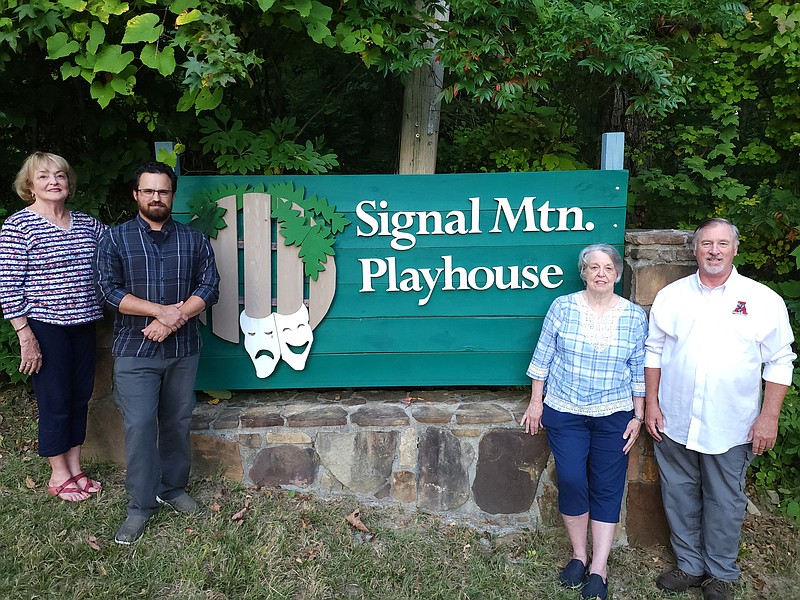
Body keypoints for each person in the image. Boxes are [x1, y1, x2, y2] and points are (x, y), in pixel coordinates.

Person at [645, 218, 796, 600]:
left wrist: (770, 416)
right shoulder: (673, 296)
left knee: (724, 499)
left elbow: (780, 360)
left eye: (722, 244)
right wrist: (651, 403)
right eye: (707, 243)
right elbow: (654, 351)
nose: (714, 250)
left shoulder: (762, 299)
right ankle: (690, 566)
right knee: (679, 493)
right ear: (694, 249)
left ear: (735, 248)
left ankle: (721, 573)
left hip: (731, 422)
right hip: (674, 417)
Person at [95, 161, 219, 545]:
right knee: (140, 427)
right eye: (148, 191)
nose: (156, 198)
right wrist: (158, 312)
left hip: (184, 350)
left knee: (178, 422)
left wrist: (174, 317)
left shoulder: (194, 240)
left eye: (163, 191)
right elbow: (108, 290)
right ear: (136, 195)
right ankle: (139, 506)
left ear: (172, 195)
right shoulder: (115, 240)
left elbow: (210, 286)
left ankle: (172, 489)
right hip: (136, 350)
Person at [521, 243, 647, 600]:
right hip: (566, 410)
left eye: (608, 268)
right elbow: (542, 356)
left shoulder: (634, 316)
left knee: (608, 486)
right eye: (594, 267)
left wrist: (638, 415)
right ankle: (579, 555)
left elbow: (638, 370)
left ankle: (599, 568)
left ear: (618, 274)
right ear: (584, 272)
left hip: (615, 414)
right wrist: (536, 402)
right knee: (573, 479)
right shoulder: (563, 307)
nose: (601, 273)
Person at [0, 152, 105, 502]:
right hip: (46, 327)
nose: (54, 181)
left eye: (60, 175)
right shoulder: (19, 226)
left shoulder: (88, 225)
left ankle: (75, 468)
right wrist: (24, 334)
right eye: (44, 176)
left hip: (85, 322)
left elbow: (119, 252)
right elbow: (9, 284)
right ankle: (58, 474)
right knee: (55, 400)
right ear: (30, 185)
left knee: (80, 397)